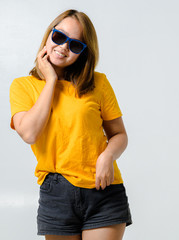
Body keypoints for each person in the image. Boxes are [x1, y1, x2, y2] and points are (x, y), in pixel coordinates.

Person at [9, 9, 132, 240]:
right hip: (57, 192)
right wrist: (51, 81)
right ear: (49, 35)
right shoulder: (23, 86)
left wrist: (108, 157)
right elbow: (29, 134)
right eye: (59, 37)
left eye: (75, 45)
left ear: (83, 53)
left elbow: (120, 135)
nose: (64, 47)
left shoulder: (98, 83)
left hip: (103, 188)